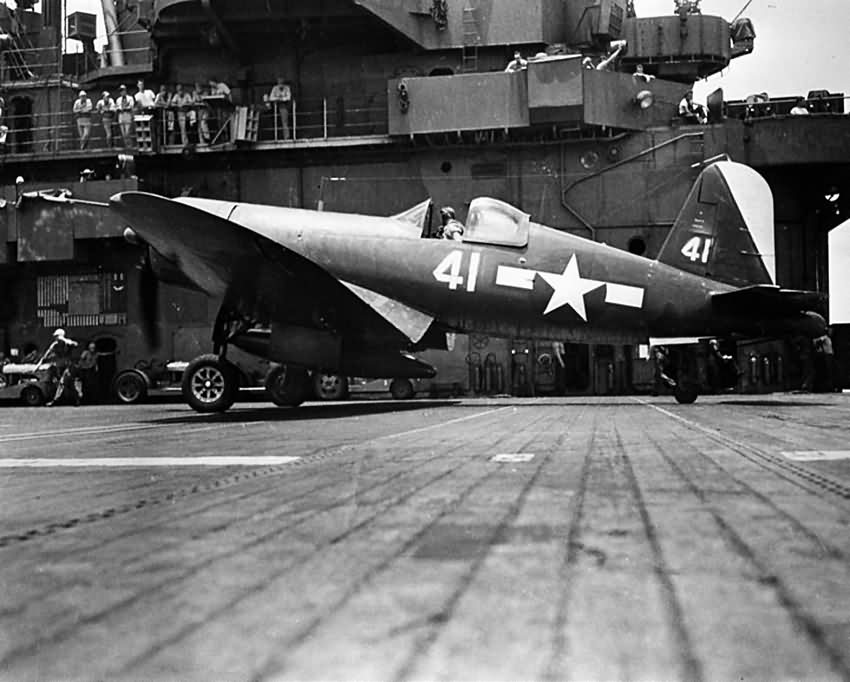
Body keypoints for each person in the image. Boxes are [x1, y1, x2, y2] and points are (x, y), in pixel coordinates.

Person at [40, 328, 80, 407]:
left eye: (56, 336)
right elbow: (47, 354)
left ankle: (55, 400)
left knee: (62, 382)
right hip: (60, 367)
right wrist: (41, 361)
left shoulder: (67, 343)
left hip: (68, 367)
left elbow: (76, 344)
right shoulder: (55, 345)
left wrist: (65, 340)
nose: (55, 338)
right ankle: (77, 399)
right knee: (70, 384)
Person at [814, 327, 835, 392]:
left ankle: (829, 386)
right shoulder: (825, 337)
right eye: (830, 331)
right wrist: (819, 349)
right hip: (826, 355)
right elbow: (816, 341)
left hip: (830, 355)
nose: (831, 332)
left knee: (830, 371)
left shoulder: (828, 338)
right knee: (827, 371)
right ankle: (826, 387)